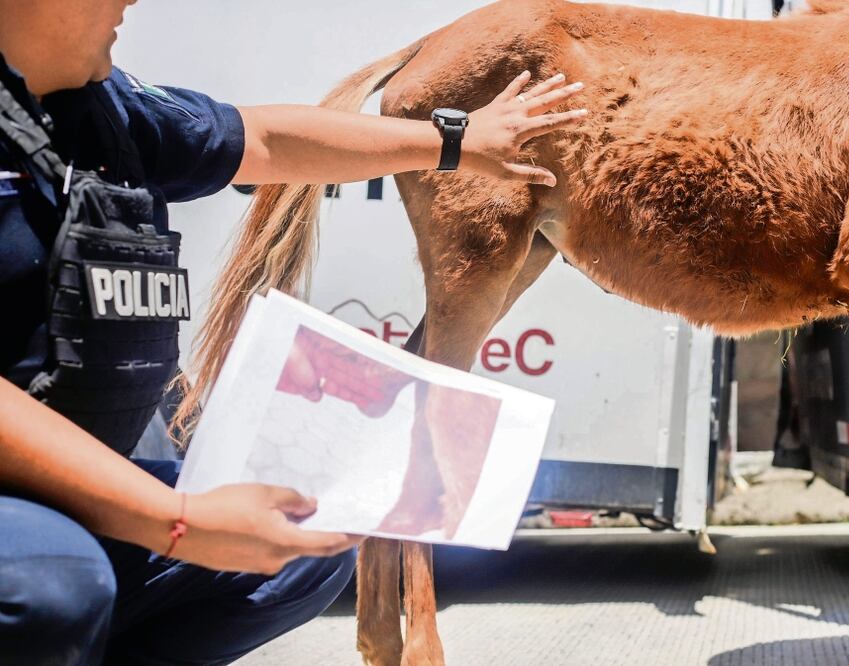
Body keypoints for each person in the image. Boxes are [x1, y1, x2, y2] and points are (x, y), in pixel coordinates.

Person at [0, 1, 586, 664]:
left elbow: (266, 142)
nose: (131, 1)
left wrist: (457, 143)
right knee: (54, 585)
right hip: (23, 512)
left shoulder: (102, 109)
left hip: (79, 486)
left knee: (307, 543)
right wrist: (176, 521)